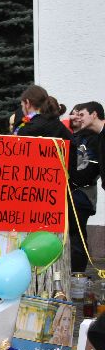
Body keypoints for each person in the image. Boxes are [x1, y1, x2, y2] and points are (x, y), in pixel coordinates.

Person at [69, 101, 102, 274]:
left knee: (77, 236)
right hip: (70, 193)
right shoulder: (70, 137)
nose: (77, 117)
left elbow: (91, 168)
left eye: (80, 114)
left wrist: (74, 181)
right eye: (74, 114)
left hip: (83, 194)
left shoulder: (93, 138)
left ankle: (78, 274)